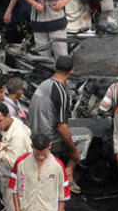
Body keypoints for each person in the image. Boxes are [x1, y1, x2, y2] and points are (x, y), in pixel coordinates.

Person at [29, 56, 88, 192]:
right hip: (50, 139)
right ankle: (69, 172)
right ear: (71, 71)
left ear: (55, 68)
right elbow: (61, 127)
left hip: (34, 133)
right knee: (86, 135)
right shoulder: (61, 92)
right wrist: (74, 151)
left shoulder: (44, 84)